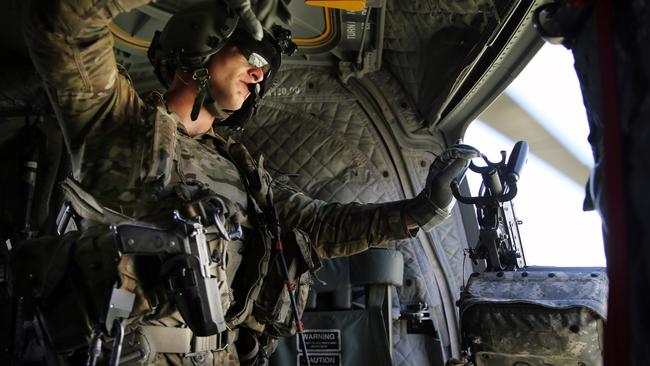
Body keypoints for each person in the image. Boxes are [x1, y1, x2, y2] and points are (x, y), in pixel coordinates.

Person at [21, 0, 480, 365]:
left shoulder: (243, 173)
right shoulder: (115, 119)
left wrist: (423, 209)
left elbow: (321, 227)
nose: (260, 77)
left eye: (267, 74)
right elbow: (61, 22)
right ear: (204, 40)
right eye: (254, 58)